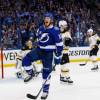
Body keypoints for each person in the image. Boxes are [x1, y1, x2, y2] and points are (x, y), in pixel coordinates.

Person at [22, 13, 63, 99]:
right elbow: (36, 35)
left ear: (51, 20)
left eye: (48, 18)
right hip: (39, 50)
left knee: (46, 73)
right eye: (45, 18)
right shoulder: (41, 28)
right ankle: (31, 73)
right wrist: (31, 40)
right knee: (25, 60)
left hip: (48, 54)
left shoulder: (55, 30)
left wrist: (58, 56)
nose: (46, 19)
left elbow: (59, 44)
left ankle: (45, 91)